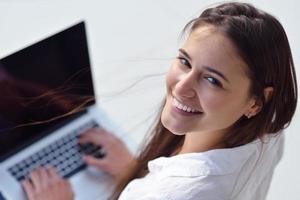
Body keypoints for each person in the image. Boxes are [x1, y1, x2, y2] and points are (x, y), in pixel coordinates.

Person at [22, 2, 297, 200]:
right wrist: (133, 169)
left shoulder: (169, 193)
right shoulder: (268, 135)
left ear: (256, 102)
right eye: (185, 62)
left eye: (212, 80)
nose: (182, 86)